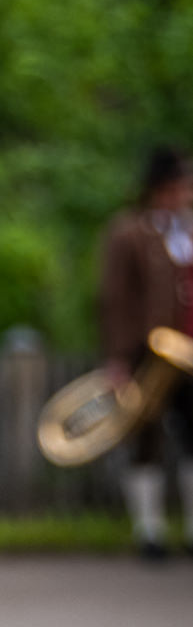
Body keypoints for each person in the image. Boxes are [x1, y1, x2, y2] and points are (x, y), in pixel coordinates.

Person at [100, 146, 193, 558]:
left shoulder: (189, 231)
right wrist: (119, 358)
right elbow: (114, 299)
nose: (182, 195)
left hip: (189, 353)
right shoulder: (129, 233)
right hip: (147, 353)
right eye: (175, 188)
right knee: (145, 438)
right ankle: (149, 530)